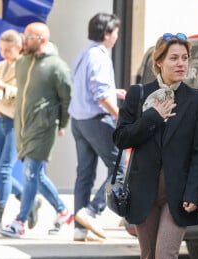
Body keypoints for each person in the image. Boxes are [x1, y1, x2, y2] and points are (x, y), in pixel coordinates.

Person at [113, 32, 198, 259]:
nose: (181, 63)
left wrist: (195, 192)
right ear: (159, 62)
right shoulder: (139, 94)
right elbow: (121, 137)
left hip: (178, 193)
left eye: (184, 58)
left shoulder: (196, 100)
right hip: (143, 192)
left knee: (167, 257)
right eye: (174, 58)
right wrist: (152, 117)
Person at [0, 22, 73, 238]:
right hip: (23, 127)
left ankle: (20, 222)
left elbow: (67, 99)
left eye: (29, 37)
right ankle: (63, 212)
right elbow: (21, 94)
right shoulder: (21, 62)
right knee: (37, 175)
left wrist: (62, 124)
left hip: (44, 127)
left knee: (31, 173)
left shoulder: (57, 67)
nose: (24, 40)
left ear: (41, 39)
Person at [68, 12, 126, 242]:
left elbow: (89, 88)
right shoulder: (100, 56)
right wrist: (120, 116)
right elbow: (101, 95)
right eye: (116, 33)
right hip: (96, 120)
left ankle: (79, 228)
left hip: (79, 120)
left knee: (84, 173)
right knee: (121, 167)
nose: (117, 37)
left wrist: (114, 92)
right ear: (107, 34)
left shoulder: (84, 54)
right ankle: (91, 211)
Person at [0, 29, 41, 234]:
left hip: (16, 121)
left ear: (19, 47)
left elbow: (25, 94)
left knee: (5, 169)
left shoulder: (25, 65)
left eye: (8, 49)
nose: (4, 53)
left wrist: (3, 87)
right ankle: (28, 200)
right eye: (2, 49)